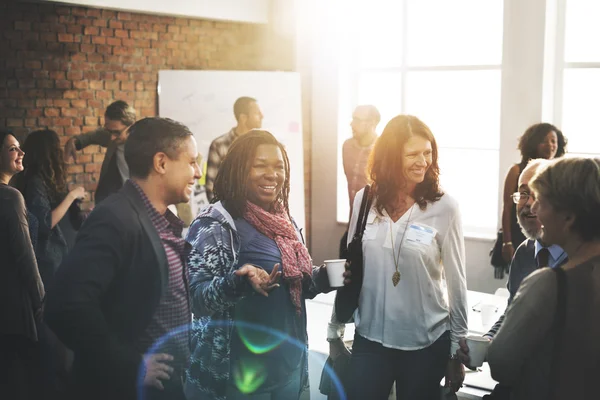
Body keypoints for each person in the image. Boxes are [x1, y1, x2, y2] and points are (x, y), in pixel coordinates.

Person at [45, 118, 202, 400]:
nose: (198, 173)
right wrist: (131, 365)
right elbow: (65, 305)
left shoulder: (164, 220)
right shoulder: (115, 218)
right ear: (161, 163)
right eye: (192, 162)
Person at [184, 130, 331, 400]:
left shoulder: (283, 223)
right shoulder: (216, 224)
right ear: (239, 169)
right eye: (260, 165)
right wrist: (238, 283)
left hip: (289, 367)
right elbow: (197, 299)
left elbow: (296, 286)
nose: (272, 174)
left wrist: (329, 276)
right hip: (240, 378)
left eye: (279, 167)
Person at [331, 115, 468, 400]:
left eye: (428, 152)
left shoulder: (444, 208)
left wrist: (457, 351)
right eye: (413, 154)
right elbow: (351, 269)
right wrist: (335, 327)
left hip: (425, 344)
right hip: (370, 340)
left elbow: (457, 283)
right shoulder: (364, 200)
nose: (423, 161)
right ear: (391, 157)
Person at [487, 157, 600, 400]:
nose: (533, 208)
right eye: (525, 194)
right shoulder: (526, 253)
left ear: (568, 216)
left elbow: (501, 364)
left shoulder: (549, 282)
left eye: (543, 201)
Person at [456, 159, 568, 397]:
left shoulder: (580, 260)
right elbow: (511, 313)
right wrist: (487, 341)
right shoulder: (525, 253)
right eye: (523, 193)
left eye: (536, 193)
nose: (527, 204)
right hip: (517, 385)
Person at [0, 130, 45, 400]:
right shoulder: (10, 198)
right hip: (14, 304)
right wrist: (40, 296)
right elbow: (24, 255)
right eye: (12, 149)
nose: (21, 152)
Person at [14, 129, 87, 289]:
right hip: (50, 264)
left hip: (62, 259)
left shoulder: (47, 180)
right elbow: (45, 223)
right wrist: (72, 195)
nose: (59, 153)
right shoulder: (35, 183)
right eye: (57, 148)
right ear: (47, 153)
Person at [500, 123, 567, 264]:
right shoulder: (516, 171)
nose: (550, 145)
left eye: (553, 141)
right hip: (521, 230)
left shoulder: (562, 174)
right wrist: (507, 242)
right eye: (544, 141)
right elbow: (507, 207)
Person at [63, 100, 136, 203]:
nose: (111, 138)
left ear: (131, 127)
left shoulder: (145, 146)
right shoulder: (110, 135)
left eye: (116, 132)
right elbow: (91, 136)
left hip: (134, 203)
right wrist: (75, 141)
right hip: (110, 200)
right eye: (108, 131)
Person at [205, 96, 264, 201]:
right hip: (228, 213)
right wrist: (224, 214)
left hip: (259, 213)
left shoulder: (263, 147)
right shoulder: (219, 145)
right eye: (257, 113)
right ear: (243, 118)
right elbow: (211, 186)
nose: (262, 116)